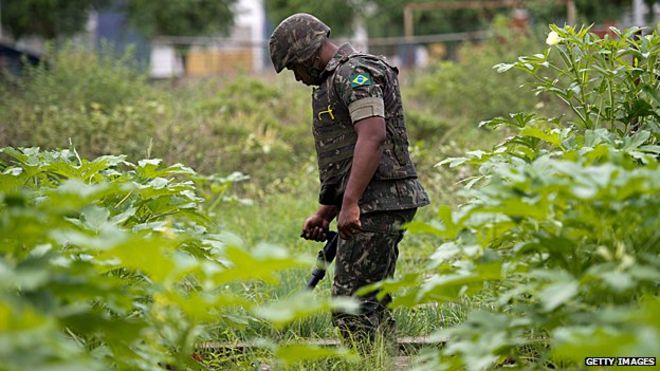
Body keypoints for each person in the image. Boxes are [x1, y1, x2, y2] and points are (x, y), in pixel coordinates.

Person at [269, 13, 429, 345]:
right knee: (371, 300)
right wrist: (326, 212)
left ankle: (367, 364)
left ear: (308, 54)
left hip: (379, 201)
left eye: (294, 68)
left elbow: (372, 137)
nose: (297, 78)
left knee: (350, 307)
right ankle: (381, 362)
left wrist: (352, 203)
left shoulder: (353, 74)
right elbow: (344, 155)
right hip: (374, 201)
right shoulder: (331, 82)